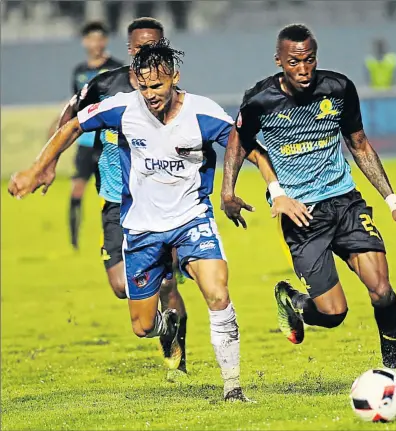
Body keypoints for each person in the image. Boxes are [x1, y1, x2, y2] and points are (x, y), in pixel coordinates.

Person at [8, 39, 274, 401]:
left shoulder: (202, 113)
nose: (150, 95)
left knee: (217, 291)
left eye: (158, 86)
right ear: (135, 81)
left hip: (191, 219)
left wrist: (271, 188)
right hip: (142, 229)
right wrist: (39, 168)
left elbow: (242, 143)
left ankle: (233, 388)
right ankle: (167, 324)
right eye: (144, 86)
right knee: (142, 326)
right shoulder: (122, 108)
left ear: (175, 78)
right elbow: (71, 126)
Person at [221, 24, 396, 371]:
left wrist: (394, 202)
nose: (303, 70)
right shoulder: (259, 100)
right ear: (279, 61)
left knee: (382, 290)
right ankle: (294, 300)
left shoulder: (339, 88)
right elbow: (240, 141)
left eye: (309, 60)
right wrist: (229, 192)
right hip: (301, 214)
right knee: (333, 314)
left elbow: (358, 144)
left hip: (345, 201)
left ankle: (392, 374)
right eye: (294, 62)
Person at [36, 18, 190, 379]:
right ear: (129, 50)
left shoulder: (169, 92)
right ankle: (162, 328)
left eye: (153, 46)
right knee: (122, 288)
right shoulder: (105, 84)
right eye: (139, 48)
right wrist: (49, 161)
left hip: (159, 204)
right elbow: (71, 115)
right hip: (116, 203)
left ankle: (179, 363)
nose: (146, 54)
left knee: (167, 285)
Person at [68, 21, 123, 249]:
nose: (95, 43)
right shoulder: (80, 71)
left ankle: (114, 237)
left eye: (100, 38)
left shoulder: (116, 68)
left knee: (110, 191)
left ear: (105, 41)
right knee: (77, 188)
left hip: (107, 141)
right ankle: (74, 242)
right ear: (85, 42)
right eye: (91, 39)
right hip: (85, 141)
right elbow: (75, 105)